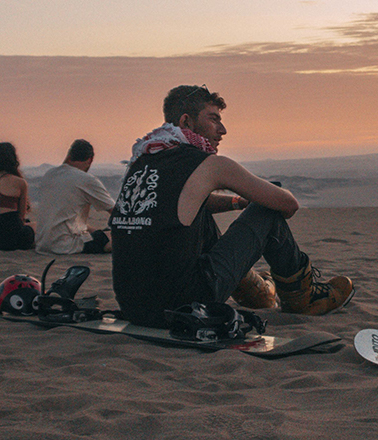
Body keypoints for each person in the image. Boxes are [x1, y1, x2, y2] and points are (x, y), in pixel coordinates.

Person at [110, 84, 354, 328]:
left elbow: (184, 203)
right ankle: (304, 297)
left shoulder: (143, 159)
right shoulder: (210, 164)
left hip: (135, 307)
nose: (222, 130)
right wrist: (265, 196)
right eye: (214, 119)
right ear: (186, 121)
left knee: (199, 214)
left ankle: (254, 292)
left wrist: (237, 202)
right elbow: (288, 204)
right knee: (266, 209)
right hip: (185, 306)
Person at [34, 139, 115, 255]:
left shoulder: (49, 174)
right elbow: (116, 212)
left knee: (95, 231)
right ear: (90, 159)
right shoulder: (85, 180)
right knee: (113, 237)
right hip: (66, 246)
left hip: (42, 244)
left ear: (69, 155)